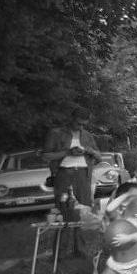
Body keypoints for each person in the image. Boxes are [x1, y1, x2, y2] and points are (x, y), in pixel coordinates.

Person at [43, 107, 102, 254]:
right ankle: (60, 252)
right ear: (72, 119)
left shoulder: (87, 136)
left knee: (83, 212)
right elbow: (46, 156)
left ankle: (79, 250)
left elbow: (99, 157)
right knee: (63, 211)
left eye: (83, 124)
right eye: (78, 123)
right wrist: (67, 152)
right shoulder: (56, 133)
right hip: (63, 175)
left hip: (83, 176)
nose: (80, 127)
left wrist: (88, 150)